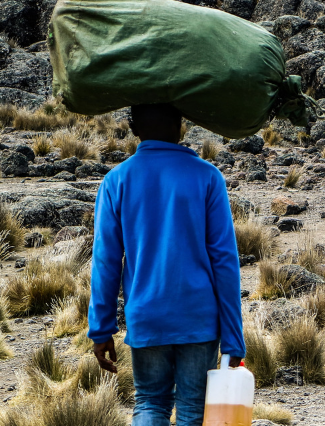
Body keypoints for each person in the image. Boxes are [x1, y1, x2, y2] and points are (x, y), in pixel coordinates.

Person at [90, 103, 245, 426]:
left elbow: (106, 261)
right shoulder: (207, 176)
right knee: (192, 412)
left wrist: (101, 328)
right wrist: (233, 338)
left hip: (147, 317)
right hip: (198, 319)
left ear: (133, 129)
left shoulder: (115, 181)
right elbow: (225, 262)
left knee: (149, 403)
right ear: (181, 126)